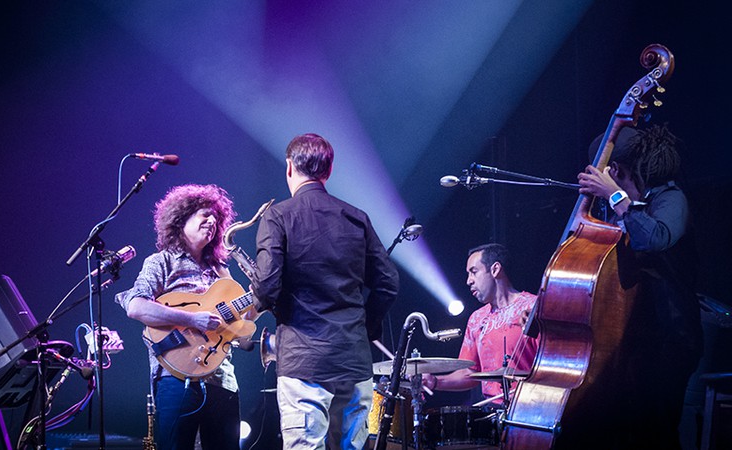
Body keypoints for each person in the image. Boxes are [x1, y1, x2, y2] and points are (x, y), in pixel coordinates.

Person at [250, 133, 400, 450]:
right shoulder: (357, 218)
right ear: (328, 172)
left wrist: (267, 302)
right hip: (354, 360)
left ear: (289, 167)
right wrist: (364, 329)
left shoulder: (277, 217)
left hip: (303, 361)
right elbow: (388, 282)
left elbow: (265, 287)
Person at [577, 124, 702, 449]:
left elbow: (654, 238)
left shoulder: (671, 198)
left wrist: (613, 195)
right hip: (633, 340)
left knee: (655, 433)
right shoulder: (623, 210)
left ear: (614, 170)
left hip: (670, 340)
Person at [115, 184, 246, 450]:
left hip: (222, 378)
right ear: (181, 219)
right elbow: (136, 307)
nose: (212, 221)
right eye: (204, 215)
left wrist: (261, 297)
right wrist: (192, 320)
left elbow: (242, 326)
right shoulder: (161, 262)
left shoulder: (220, 271)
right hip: (175, 377)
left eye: (216, 218)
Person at [421, 243, 538, 406]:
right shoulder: (476, 319)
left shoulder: (533, 308)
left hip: (532, 407)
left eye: (474, 272)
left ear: (495, 270)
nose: (468, 281)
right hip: (492, 411)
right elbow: (470, 372)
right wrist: (434, 381)